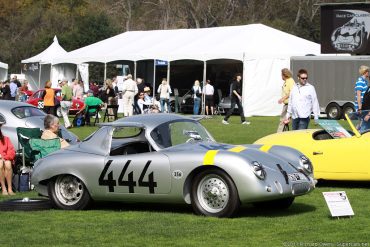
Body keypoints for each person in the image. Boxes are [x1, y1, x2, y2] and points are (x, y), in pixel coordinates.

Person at [0, 120, 16, 195]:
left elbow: (12, 152)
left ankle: (10, 188)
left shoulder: (6, 139)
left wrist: (4, 157)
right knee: (0, 164)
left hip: (6, 159)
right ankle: (4, 189)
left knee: (8, 164)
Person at [277, 68, 295, 132]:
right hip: (287, 104)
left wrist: (283, 99)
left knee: (283, 120)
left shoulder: (290, 81)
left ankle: (278, 134)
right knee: (285, 120)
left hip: (289, 104)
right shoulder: (287, 81)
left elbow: (292, 92)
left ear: (284, 75)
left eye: (281, 75)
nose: (281, 76)